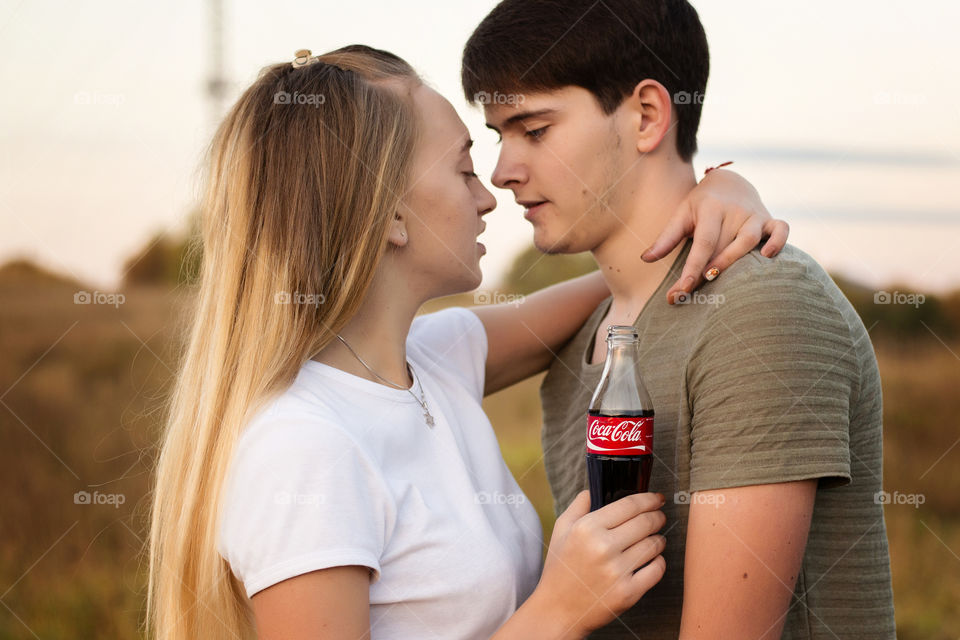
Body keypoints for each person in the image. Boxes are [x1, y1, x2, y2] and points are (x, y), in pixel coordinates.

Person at [146, 44, 789, 640]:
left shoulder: (429, 360)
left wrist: (719, 196)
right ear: (390, 214)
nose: (489, 198)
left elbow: (624, 276)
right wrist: (555, 612)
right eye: (463, 171)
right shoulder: (305, 448)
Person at [462, 1, 897, 638]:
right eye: (499, 135)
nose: (503, 171)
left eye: (534, 129)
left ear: (646, 116)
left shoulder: (761, 308)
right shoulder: (585, 333)